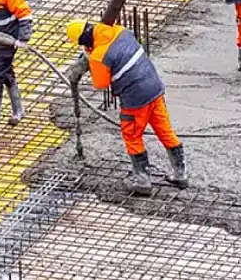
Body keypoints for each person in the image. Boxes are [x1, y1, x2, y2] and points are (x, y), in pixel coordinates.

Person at [65, 20, 187, 195]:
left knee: (132, 136)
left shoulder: (99, 56)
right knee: (164, 130)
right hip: (155, 88)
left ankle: (143, 181)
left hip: (135, 99)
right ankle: (180, 174)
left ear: (84, 41)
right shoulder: (120, 31)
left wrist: (90, 61)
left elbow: (101, 83)